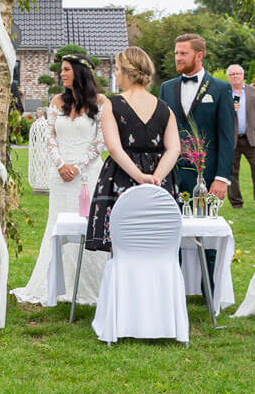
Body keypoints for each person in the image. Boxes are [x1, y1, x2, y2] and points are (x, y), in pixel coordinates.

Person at [13, 55, 106, 304]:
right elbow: (50, 136)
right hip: (61, 175)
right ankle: (55, 283)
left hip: (88, 174)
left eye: (66, 70)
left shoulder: (100, 102)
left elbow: (101, 140)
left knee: (88, 224)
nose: (61, 74)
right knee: (58, 224)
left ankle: (89, 283)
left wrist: (78, 166)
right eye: (61, 70)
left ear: (79, 72)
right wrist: (60, 164)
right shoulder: (57, 101)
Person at [86, 47, 179, 251]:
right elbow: (174, 149)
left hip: (121, 177)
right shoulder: (165, 108)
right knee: (156, 245)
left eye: (117, 69)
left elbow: (114, 148)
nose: (115, 74)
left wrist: (139, 177)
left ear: (128, 72)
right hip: (159, 181)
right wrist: (155, 179)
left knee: (120, 246)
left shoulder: (112, 104)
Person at [156, 34, 234, 199]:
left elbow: (227, 136)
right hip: (171, 174)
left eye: (183, 53)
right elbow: (160, 131)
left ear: (199, 56)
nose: (178, 58)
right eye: (176, 53)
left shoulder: (220, 89)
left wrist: (221, 178)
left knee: (203, 217)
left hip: (206, 176)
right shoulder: (166, 88)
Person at [225, 63, 255, 209]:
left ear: (243, 75)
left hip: (252, 138)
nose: (235, 76)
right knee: (232, 173)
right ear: (228, 77)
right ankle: (236, 203)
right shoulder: (224, 93)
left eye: (238, 73)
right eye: (232, 74)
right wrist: (229, 109)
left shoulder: (254, 91)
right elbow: (217, 116)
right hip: (231, 139)